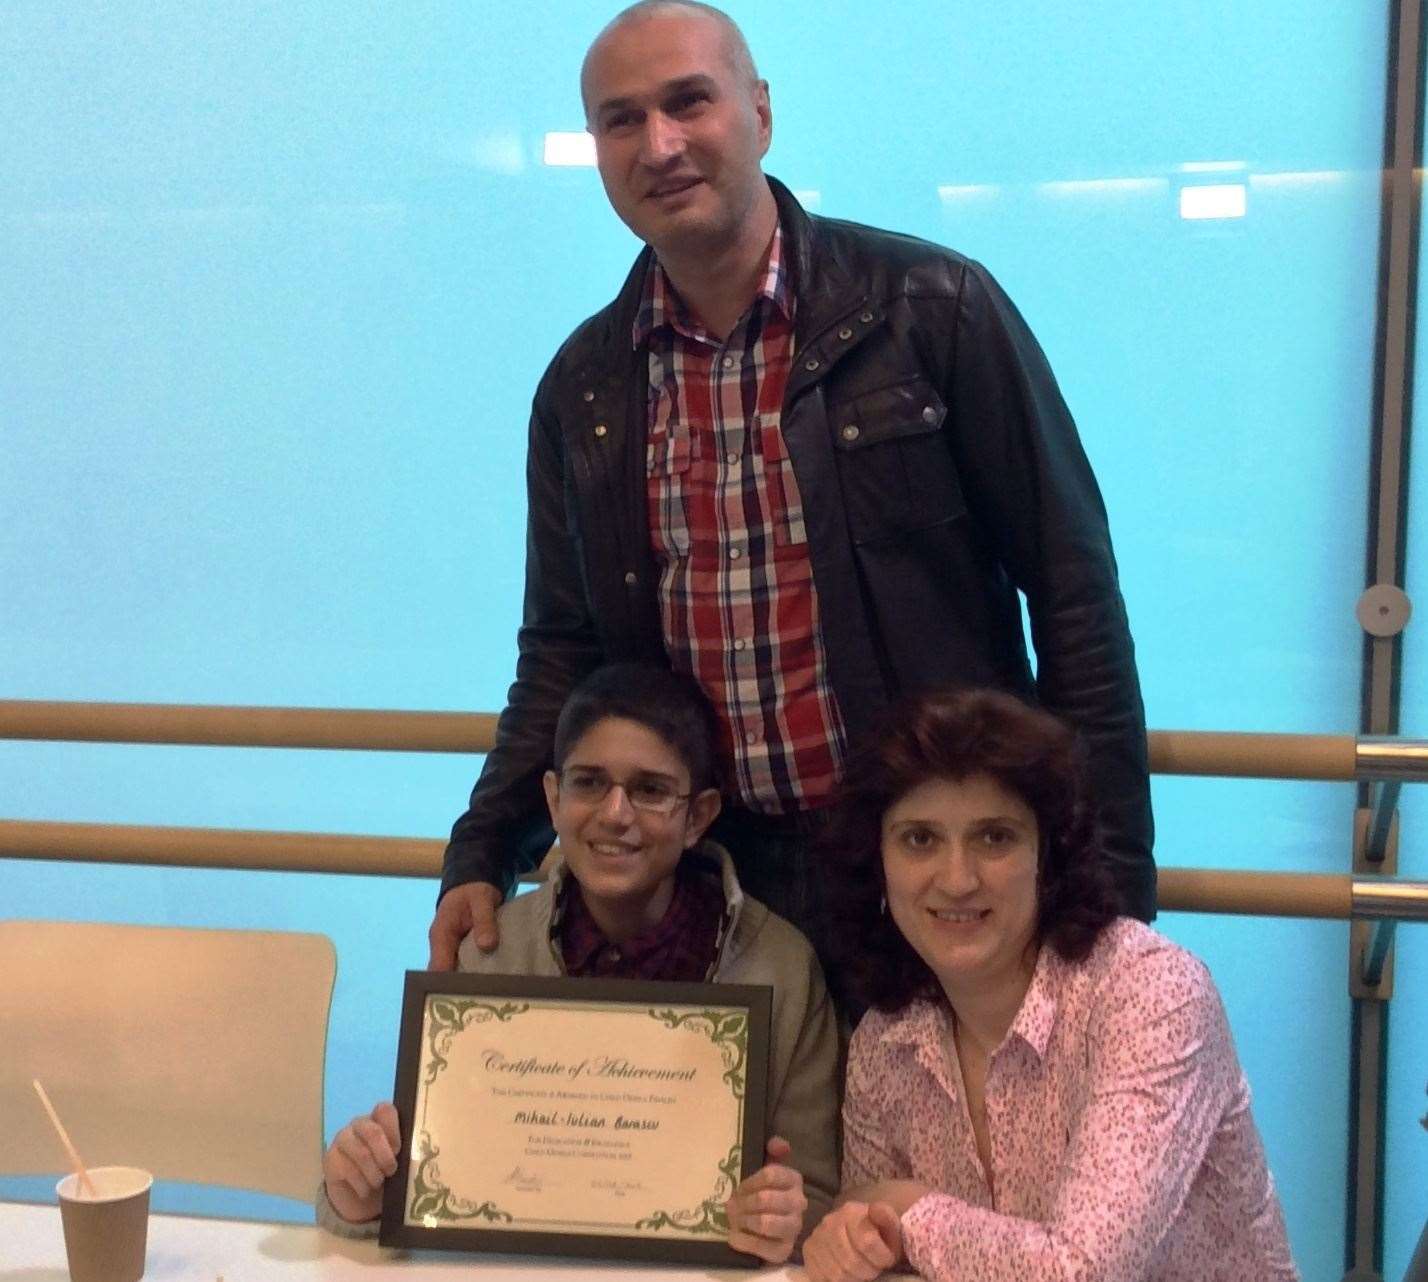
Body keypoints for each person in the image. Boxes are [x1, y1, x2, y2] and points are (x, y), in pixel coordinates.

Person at [429, 0, 1155, 973]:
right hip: (712, 878)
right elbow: (563, 648)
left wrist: (1107, 894)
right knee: (756, 1132)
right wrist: (483, 849)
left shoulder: (933, 309)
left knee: (945, 1127)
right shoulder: (586, 385)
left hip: (928, 853)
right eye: (622, 119)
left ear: (760, 113)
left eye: (690, 101)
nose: (662, 143)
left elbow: (1072, 593)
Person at [319, 663, 838, 1264]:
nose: (616, 813)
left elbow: (821, 1200)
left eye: (650, 790)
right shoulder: (492, 954)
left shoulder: (782, 966)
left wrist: (781, 1222)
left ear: (698, 816)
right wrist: (354, 1192)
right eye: (589, 782)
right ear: (552, 796)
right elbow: (416, 1190)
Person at [800, 688, 1297, 1282]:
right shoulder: (885, 1040)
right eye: (920, 839)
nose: (957, 880)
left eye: (994, 837)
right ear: (876, 863)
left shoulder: (1152, 994)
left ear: (1049, 857)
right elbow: (876, 1240)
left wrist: (911, 1213)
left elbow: (1082, 1273)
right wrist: (847, 1240)